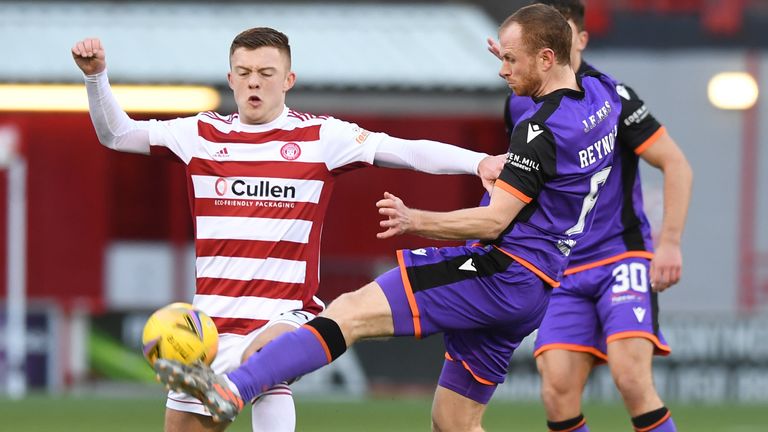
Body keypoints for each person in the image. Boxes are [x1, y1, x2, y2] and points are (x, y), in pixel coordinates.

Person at [153, 5, 623, 431]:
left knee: (349, 312)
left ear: (545, 58)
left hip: (498, 272)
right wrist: (525, 58)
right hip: (537, 287)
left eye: (511, 60)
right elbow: (567, 67)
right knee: (454, 420)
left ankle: (231, 388)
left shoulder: (539, 131)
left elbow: (494, 223)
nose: (502, 70)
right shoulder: (603, 97)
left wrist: (415, 218)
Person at [71, 28, 504, 432]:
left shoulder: (320, 136)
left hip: (286, 312)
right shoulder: (200, 134)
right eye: (244, 73)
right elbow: (118, 134)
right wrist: (96, 77)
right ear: (230, 78)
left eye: (265, 73)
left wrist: (479, 162)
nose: (254, 83)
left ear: (288, 79)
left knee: (270, 354)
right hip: (210, 328)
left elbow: (406, 151)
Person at [484, 1, 692, 431]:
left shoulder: (612, 95)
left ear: (579, 39)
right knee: (556, 391)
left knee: (631, 378)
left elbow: (676, 163)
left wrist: (669, 240)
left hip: (621, 255)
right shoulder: (521, 106)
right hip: (561, 266)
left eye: (565, 35)